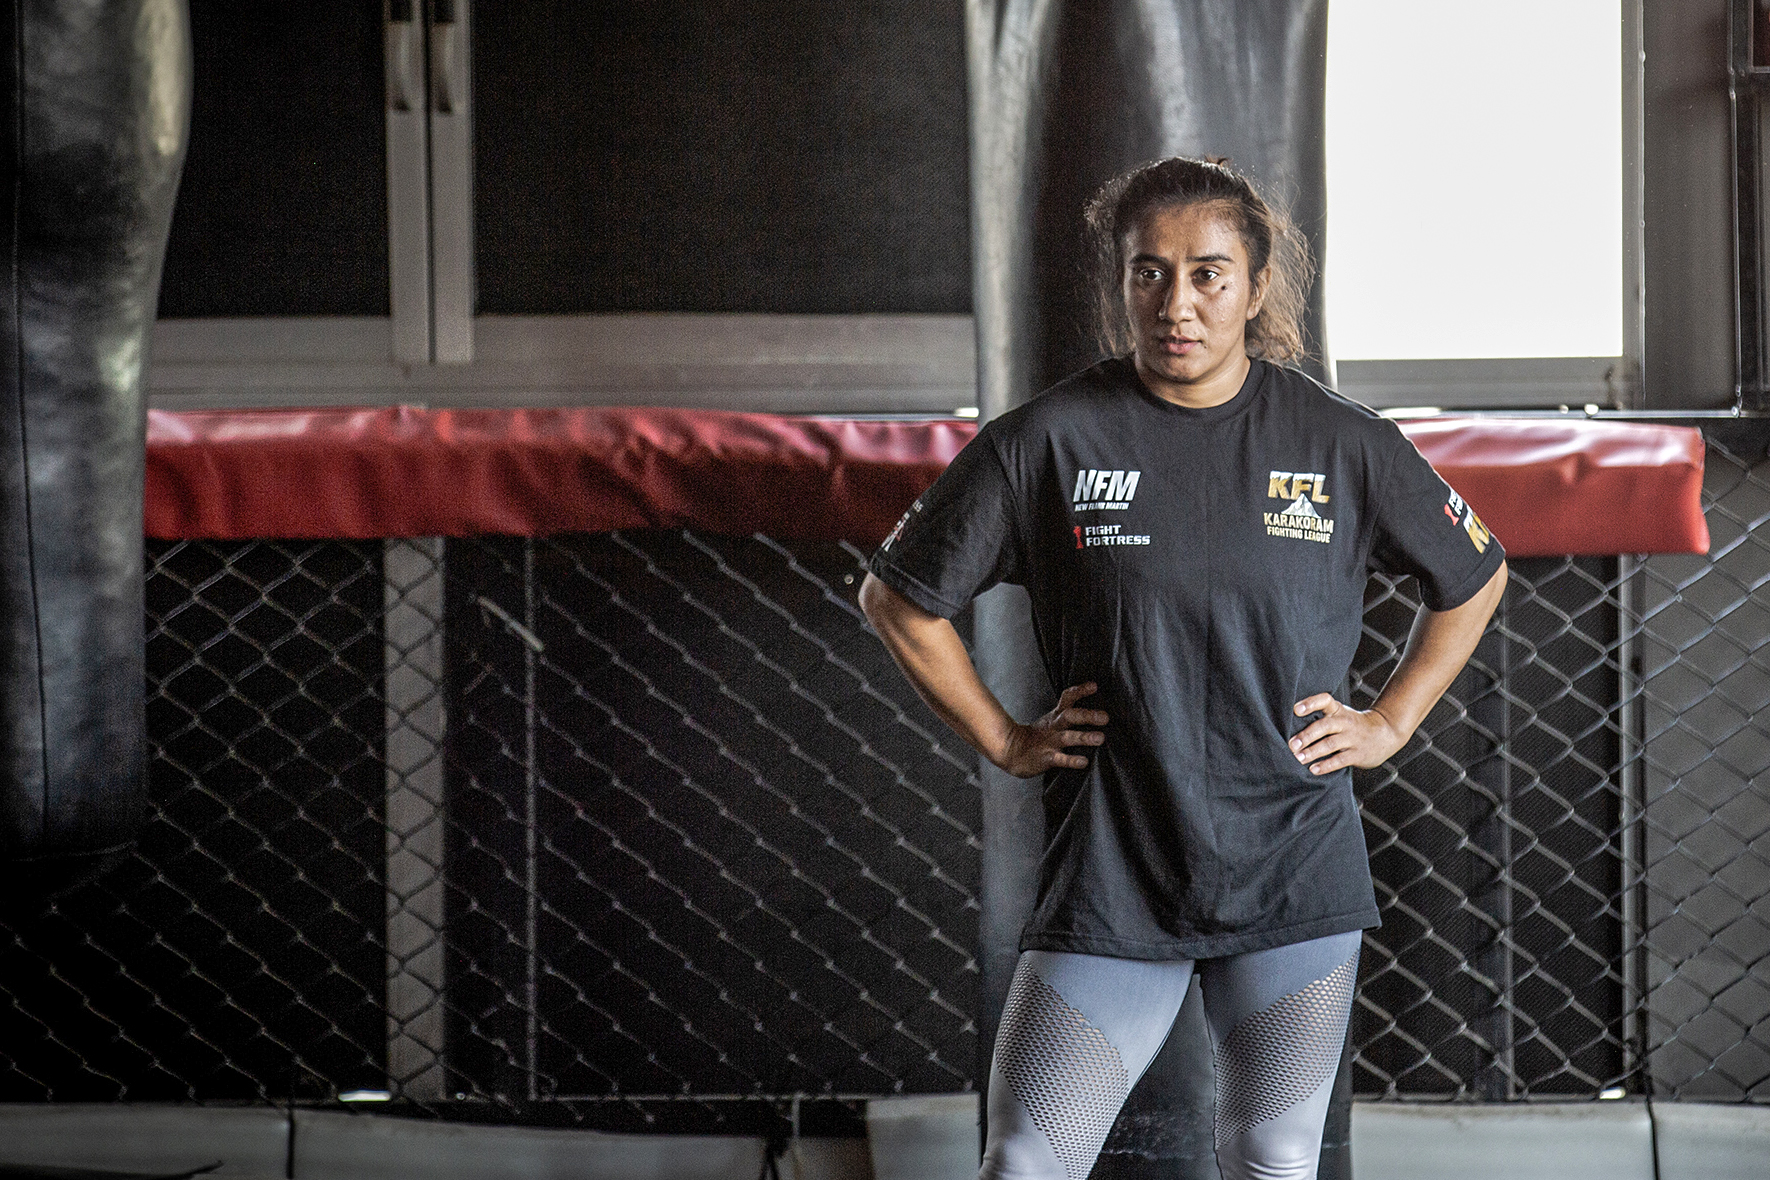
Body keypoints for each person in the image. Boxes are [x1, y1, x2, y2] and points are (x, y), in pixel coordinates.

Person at [858, 157, 1508, 1180]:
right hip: (1118, 867)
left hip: (1292, 863)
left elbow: (1475, 574)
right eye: (1148, 273)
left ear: (1255, 287)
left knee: (1273, 1154)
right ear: (1119, 285)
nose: (1178, 303)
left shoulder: (1341, 443)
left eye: (1209, 274)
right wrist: (1005, 736)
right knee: (1026, 1159)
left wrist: (1391, 720)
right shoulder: (1049, 444)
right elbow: (898, 598)